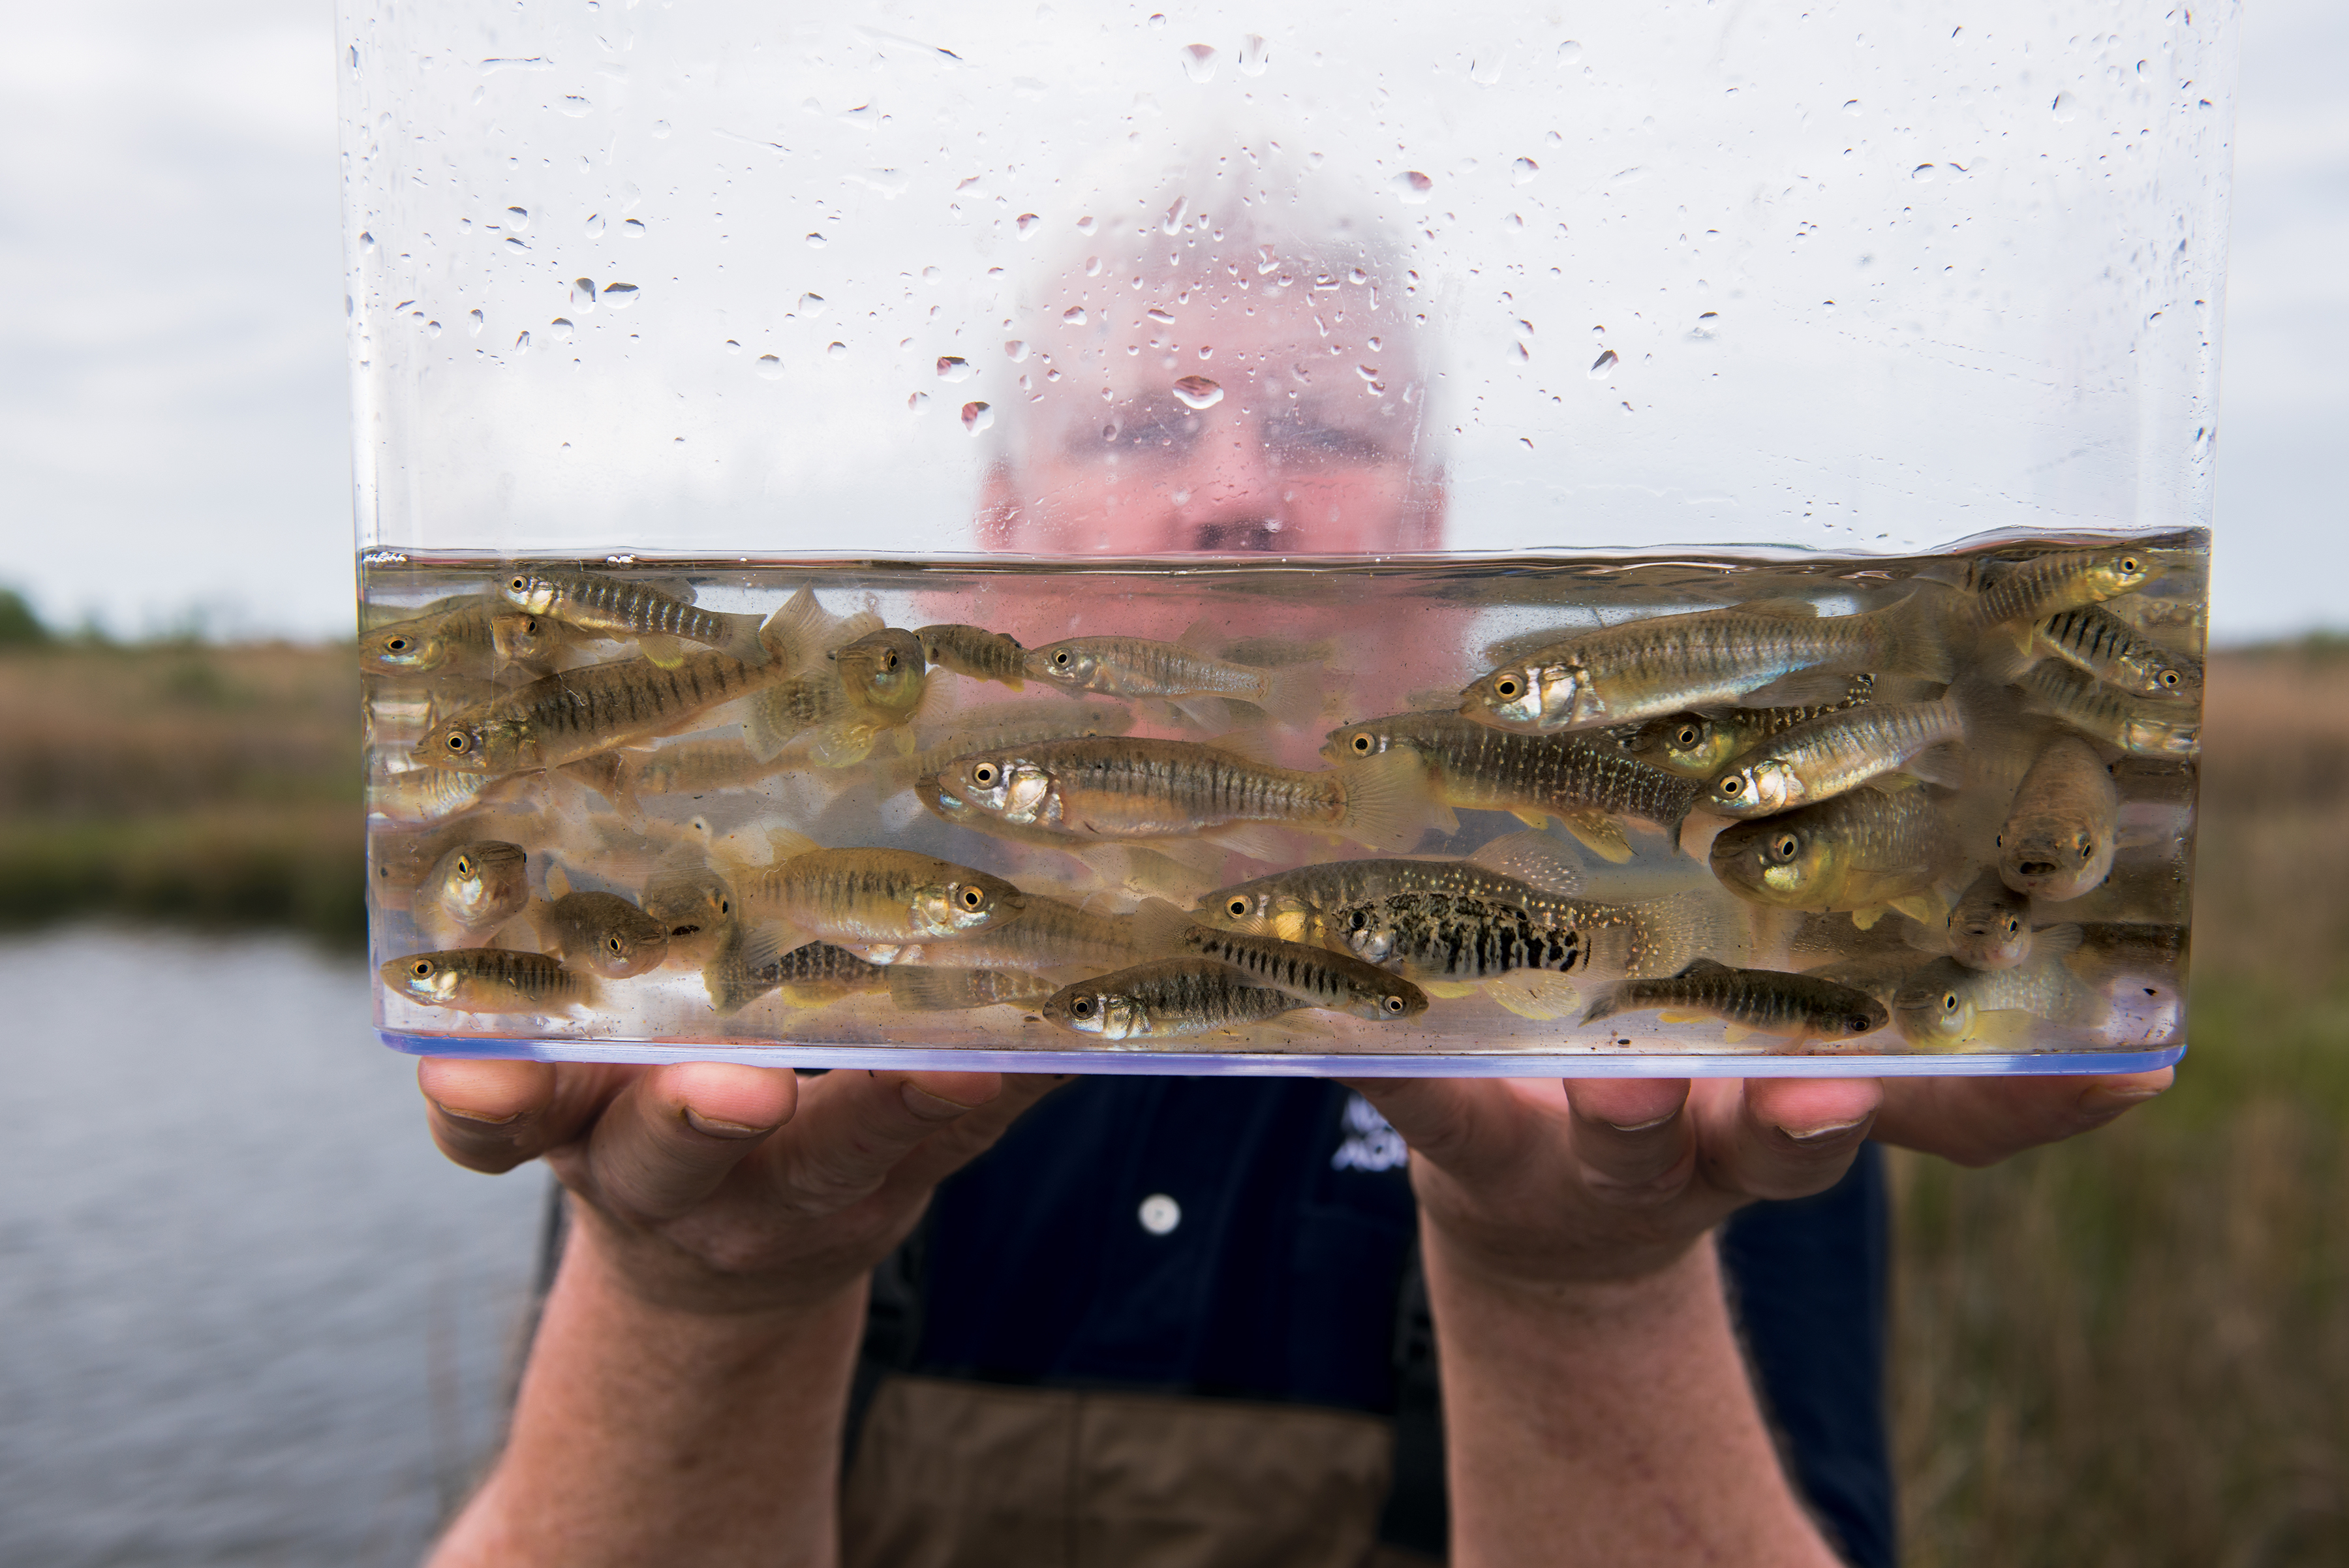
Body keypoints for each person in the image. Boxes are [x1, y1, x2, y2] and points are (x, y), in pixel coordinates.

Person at [416, 161, 2173, 1568]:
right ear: (1002, 533)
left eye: (1324, 429)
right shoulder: (783, 958)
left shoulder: (1655, 996)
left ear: (1426, 534)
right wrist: (699, 1290)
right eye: (1142, 424)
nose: (1236, 491)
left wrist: (1590, 1283)